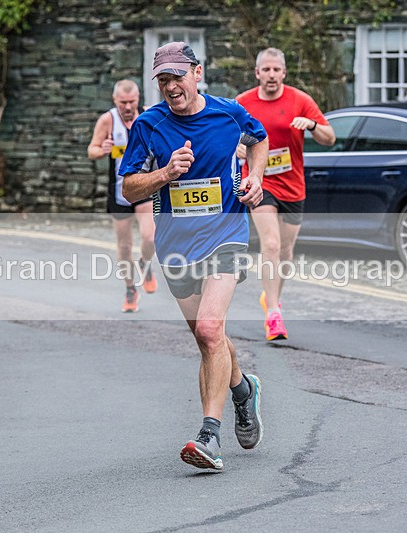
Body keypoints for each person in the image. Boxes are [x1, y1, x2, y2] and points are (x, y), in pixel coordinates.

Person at [120, 42, 269, 472]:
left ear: (197, 73)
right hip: (177, 246)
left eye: (177, 76)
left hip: (226, 234)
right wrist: (166, 173)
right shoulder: (149, 125)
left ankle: (209, 436)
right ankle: (244, 392)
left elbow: (258, 140)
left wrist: (255, 178)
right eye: (163, 80)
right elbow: (129, 187)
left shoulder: (228, 113)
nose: (171, 87)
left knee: (209, 328)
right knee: (209, 341)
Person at [236, 47, 336, 341]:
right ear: (257, 73)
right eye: (265, 70)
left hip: (292, 185)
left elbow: (330, 138)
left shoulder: (300, 100)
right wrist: (236, 146)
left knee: (286, 252)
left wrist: (313, 125)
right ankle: (273, 315)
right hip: (258, 182)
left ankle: (272, 299)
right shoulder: (243, 103)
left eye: (276, 70)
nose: (271, 75)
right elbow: (222, 133)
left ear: (284, 72)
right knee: (270, 243)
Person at [88, 79, 157, 313]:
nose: (128, 107)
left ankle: (145, 265)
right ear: (115, 100)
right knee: (124, 245)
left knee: (150, 238)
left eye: (132, 101)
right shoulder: (108, 120)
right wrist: (103, 150)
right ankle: (130, 289)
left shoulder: (148, 116)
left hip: (143, 186)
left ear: (138, 99)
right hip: (118, 191)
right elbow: (92, 150)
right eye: (123, 102)